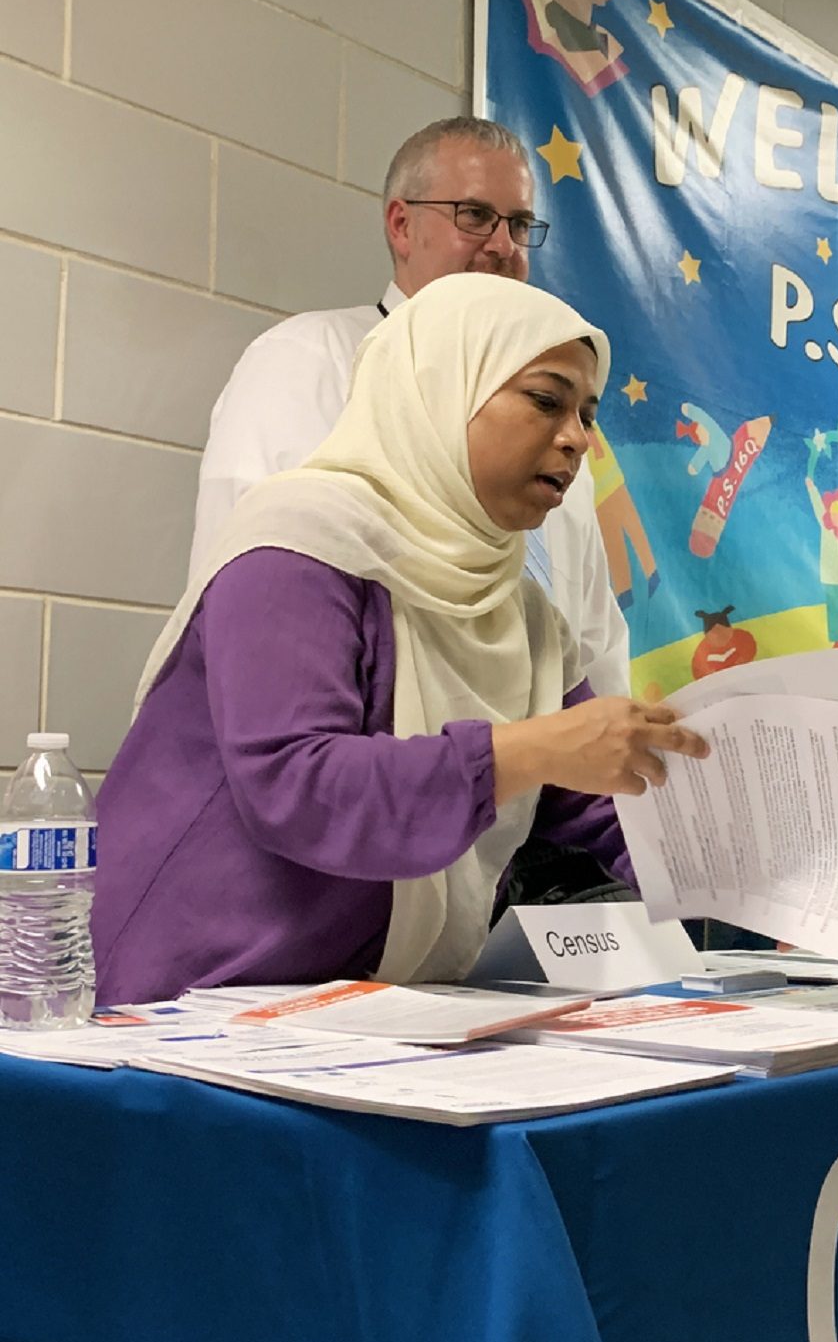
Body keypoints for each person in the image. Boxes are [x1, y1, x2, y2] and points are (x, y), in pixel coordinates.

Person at [92, 276, 706, 1005]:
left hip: (364, 1013)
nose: (576, 437)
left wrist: (738, 869)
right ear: (439, 393)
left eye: (587, 414)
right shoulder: (297, 545)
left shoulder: (526, 613)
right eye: (546, 400)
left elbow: (603, 798)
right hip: (188, 1008)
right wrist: (530, 748)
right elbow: (295, 785)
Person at [192, 116, 630, 701]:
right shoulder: (300, 366)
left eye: (521, 225)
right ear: (401, 225)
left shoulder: (556, 436)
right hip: (345, 766)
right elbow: (241, 602)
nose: (503, 247)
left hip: (535, 789)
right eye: (474, 216)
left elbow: (594, 648)